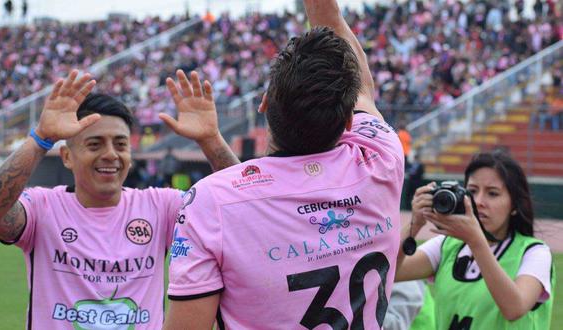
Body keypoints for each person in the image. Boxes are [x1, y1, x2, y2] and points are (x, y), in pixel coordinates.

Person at [164, 0, 404, 329]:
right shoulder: (381, 157)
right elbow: (358, 81)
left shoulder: (208, 201)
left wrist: (211, 143)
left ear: (264, 103)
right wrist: (212, 142)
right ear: (349, 120)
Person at [0, 69, 239, 329]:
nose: (110, 154)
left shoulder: (162, 207)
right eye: (95, 144)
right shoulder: (42, 207)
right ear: (67, 157)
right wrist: (40, 140)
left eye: (120, 144)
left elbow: (240, 212)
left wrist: (211, 140)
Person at [396, 151, 555, 329]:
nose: (479, 201)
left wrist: (475, 241)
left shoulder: (535, 253)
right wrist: (415, 223)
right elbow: (388, 273)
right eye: (472, 191)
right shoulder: (447, 245)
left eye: (492, 194)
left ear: (515, 205)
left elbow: (514, 308)